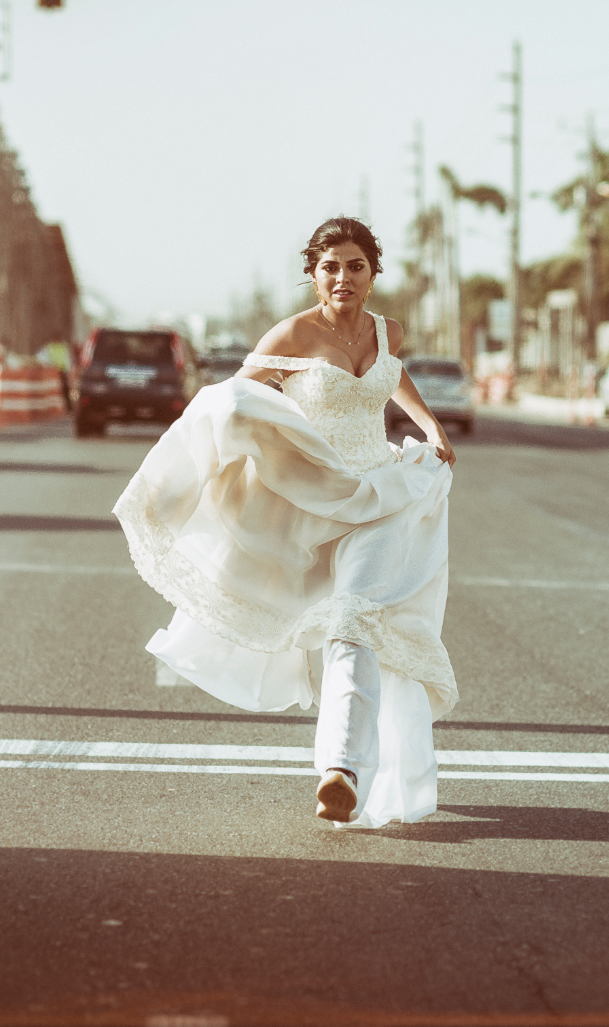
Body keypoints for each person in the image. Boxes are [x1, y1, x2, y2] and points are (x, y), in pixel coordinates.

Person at [114, 217, 458, 826]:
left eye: (355, 266)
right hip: (313, 498)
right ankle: (346, 761)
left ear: (373, 273)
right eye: (330, 267)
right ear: (313, 275)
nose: (343, 277)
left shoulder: (389, 331)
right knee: (335, 627)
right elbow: (234, 399)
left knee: (353, 621)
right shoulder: (293, 334)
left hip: (380, 497)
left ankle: (341, 771)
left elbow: (393, 373)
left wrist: (429, 425)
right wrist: (235, 453)